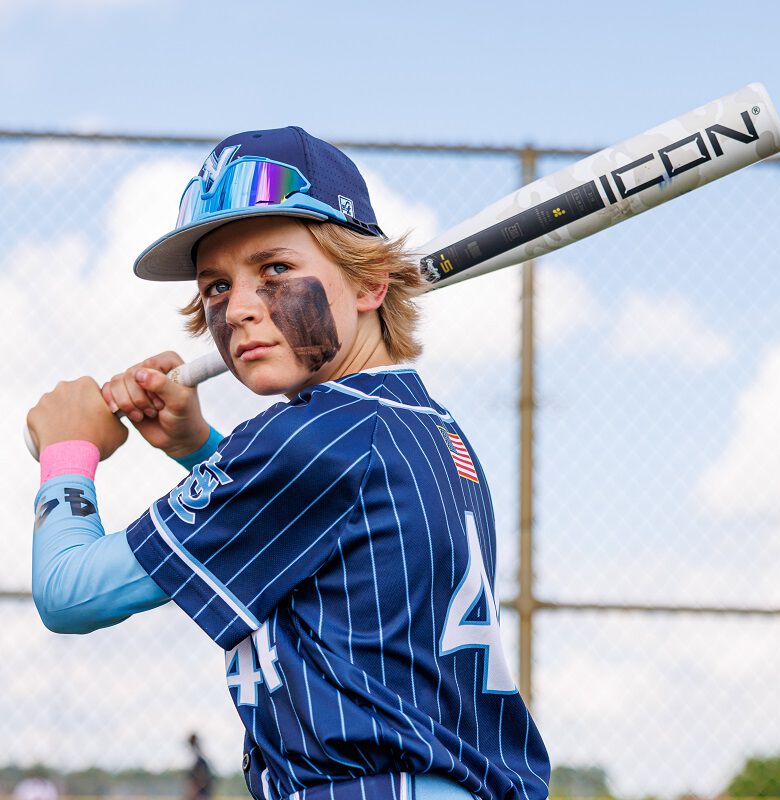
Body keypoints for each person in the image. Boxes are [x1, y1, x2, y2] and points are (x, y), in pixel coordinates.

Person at [27, 127, 550, 799]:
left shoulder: (310, 438)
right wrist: (196, 446)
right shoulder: (416, 425)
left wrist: (69, 451)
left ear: (369, 282)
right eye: (217, 286)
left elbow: (71, 593)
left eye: (274, 270)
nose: (239, 310)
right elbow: (304, 525)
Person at [186, 733, 215, 800]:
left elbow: (201, 781)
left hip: (201, 795)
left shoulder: (200, 762)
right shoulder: (199, 761)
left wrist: (192, 793)